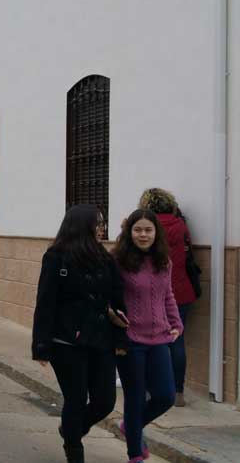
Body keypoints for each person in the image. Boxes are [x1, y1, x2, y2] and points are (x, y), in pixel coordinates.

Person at [32, 205, 125, 463]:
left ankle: (71, 430)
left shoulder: (106, 259)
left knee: (105, 401)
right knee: (75, 398)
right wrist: (41, 345)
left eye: (103, 223)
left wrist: (121, 336)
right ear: (82, 226)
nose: (102, 229)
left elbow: (118, 300)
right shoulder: (56, 257)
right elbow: (45, 302)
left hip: (101, 340)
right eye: (98, 223)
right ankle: (74, 451)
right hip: (66, 342)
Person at [113, 209, 182, 463]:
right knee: (135, 397)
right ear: (130, 232)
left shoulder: (164, 261)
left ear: (156, 232)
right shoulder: (119, 261)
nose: (143, 235)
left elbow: (168, 295)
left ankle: (130, 426)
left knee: (165, 396)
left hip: (159, 339)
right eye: (138, 230)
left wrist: (176, 322)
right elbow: (110, 296)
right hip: (130, 340)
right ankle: (135, 455)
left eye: (148, 230)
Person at [138, 188, 196, 407]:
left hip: (154, 293)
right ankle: (178, 393)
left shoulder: (148, 227)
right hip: (182, 291)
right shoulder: (181, 226)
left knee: (148, 341)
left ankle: (149, 390)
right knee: (177, 341)